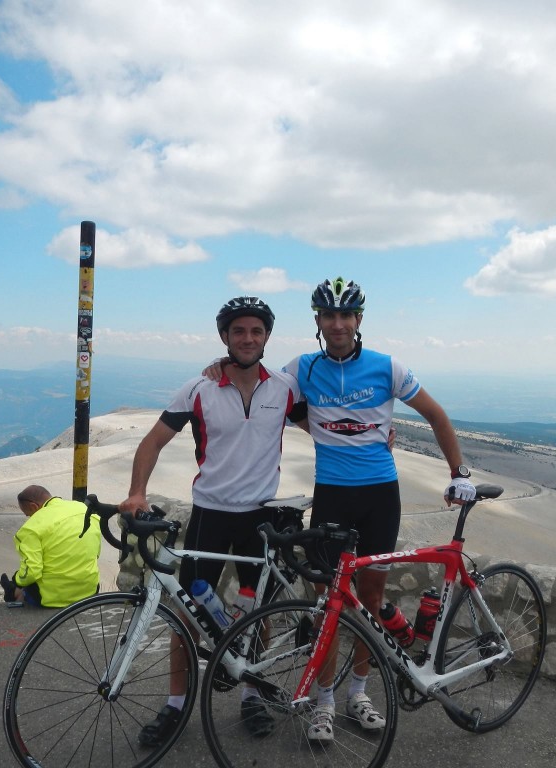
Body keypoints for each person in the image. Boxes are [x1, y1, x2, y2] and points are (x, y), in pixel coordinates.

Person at [213, 276, 476, 741]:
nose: (338, 323)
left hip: (380, 496)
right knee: (325, 606)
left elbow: (435, 415)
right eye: (329, 315)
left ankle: (359, 691)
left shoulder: (387, 367)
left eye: (346, 315)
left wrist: (458, 472)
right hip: (332, 496)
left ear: (358, 320)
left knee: (369, 602)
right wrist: (220, 366)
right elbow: (262, 382)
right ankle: (325, 701)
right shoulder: (303, 367)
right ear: (318, 320)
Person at [118, 296, 301, 747]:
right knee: (188, 613)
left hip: (261, 515)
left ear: (267, 338)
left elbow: (325, 426)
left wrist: (379, 435)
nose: (247, 339)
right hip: (210, 514)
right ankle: (175, 704)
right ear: (225, 337)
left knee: (257, 612)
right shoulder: (198, 389)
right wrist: (137, 491)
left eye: (256, 331)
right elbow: (152, 441)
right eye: (238, 331)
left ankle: (251, 696)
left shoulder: (284, 388)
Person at [0, 485, 101, 609]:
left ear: (34, 506)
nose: (29, 518)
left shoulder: (30, 528)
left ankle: (12, 592)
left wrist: (16, 580)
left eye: (28, 514)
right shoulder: (84, 509)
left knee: (24, 579)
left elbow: (32, 572)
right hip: (89, 592)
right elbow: (96, 554)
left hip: (52, 598)